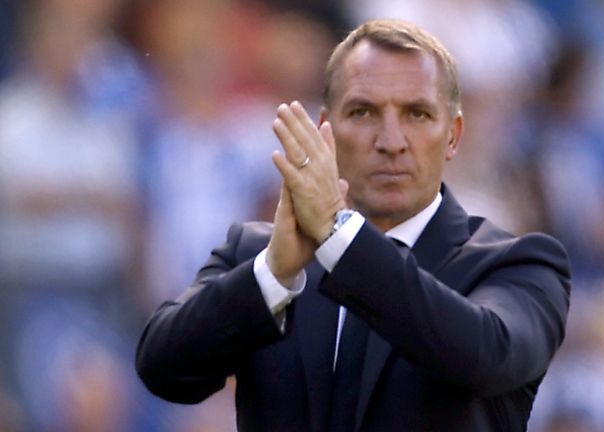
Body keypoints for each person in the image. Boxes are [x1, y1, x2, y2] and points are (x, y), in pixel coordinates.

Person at [136, 19, 570, 431]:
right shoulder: (260, 256)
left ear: (453, 135)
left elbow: (484, 357)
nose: (391, 142)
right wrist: (272, 277)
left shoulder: (519, 264)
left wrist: (339, 237)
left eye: (417, 114)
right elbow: (163, 368)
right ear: (326, 129)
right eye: (363, 113)